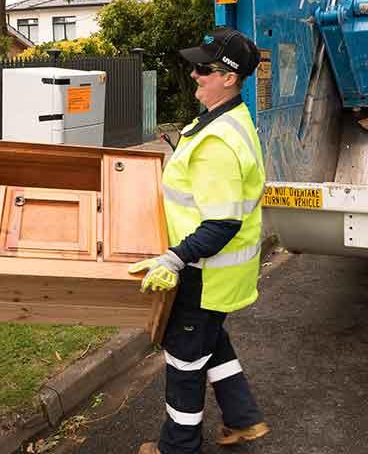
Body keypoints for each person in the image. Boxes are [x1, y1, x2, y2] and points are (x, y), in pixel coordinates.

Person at [129, 27, 270, 454]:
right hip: (218, 275)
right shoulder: (221, 120)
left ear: (229, 77)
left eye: (203, 69)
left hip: (202, 274)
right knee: (212, 342)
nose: (193, 75)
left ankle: (179, 447)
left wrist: (173, 259)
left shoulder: (218, 142)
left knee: (185, 362)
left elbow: (221, 223)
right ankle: (244, 420)